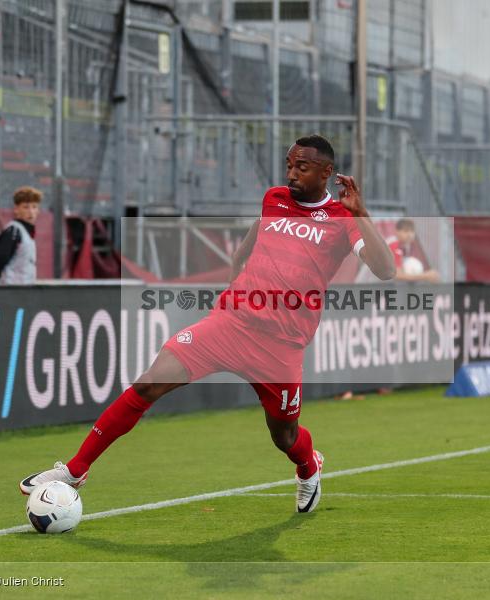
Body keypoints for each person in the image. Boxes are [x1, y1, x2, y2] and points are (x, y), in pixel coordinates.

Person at [20, 135, 396, 513]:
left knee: (284, 436)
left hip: (280, 347)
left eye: (302, 167)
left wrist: (361, 213)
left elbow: (385, 270)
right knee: (149, 382)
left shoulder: (344, 219)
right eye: (288, 164)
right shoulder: (274, 199)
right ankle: (75, 469)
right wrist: (237, 289)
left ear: (327, 172)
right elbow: (244, 249)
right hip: (229, 325)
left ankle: (307, 464)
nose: (291, 174)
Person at [0, 186, 41, 284]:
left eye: (34, 207)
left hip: (24, 292)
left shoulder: (27, 233)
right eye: (26, 207)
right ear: (16, 209)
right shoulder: (13, 231)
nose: (31, 212)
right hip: (10, 291)